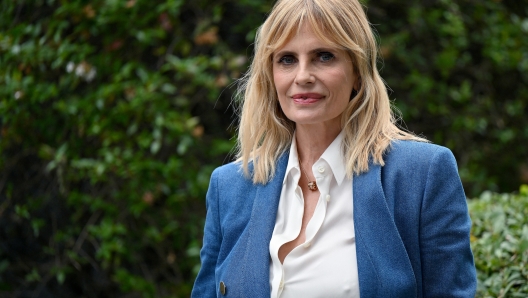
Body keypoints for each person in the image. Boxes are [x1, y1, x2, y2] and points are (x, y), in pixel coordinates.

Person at [191, 0, 477, 297]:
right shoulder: (230, 187)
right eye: (287, 59)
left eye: (323, 56)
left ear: (357, 71)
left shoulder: (421, 175)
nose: (302, 76)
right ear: (270, 74)